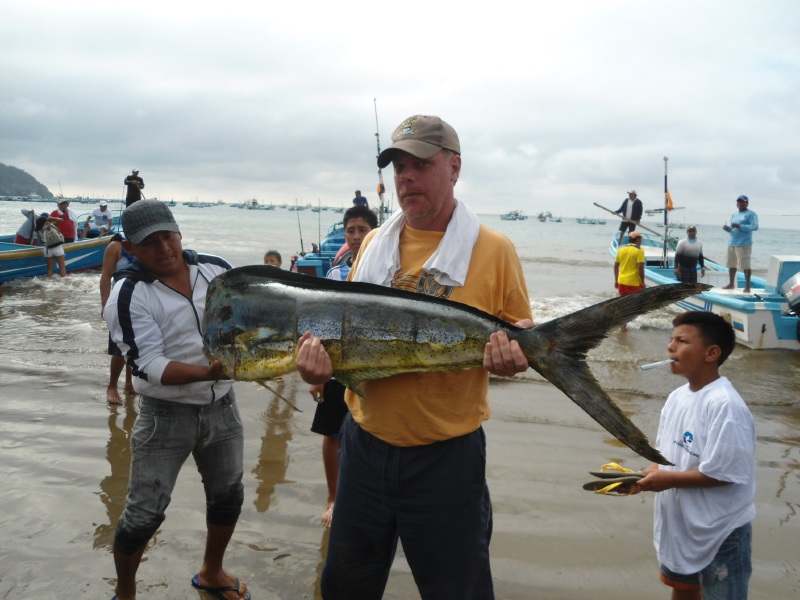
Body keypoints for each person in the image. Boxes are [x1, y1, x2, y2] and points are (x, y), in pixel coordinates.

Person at [295, 114, 533, 599]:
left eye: (421, 164)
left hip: (446, 460)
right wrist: (317, 370)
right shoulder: (372, 249)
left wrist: (520, 355)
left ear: (454, 168)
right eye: (399, 166)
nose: (406, 177)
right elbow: (350, 339)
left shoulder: (495, 250)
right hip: (363, 449)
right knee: (344, 587)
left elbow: (519, 339)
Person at [104, 200, 250, 600]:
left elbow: (249, 314)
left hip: (223, 406)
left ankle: (212, 571)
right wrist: (209, 371)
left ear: (179, 232)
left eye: (167, 236)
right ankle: (126, 591)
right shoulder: (128, 293)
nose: (163, 248)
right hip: (164, 416)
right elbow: (147, 365)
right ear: (130, 248)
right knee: (143, 514)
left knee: (229, 495)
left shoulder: (216, 268)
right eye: (149, 242)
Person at [636, 311, 755, 600]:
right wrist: (645, 475)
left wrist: (667, 480)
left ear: (711, 353)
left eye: (682, 340)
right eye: (671, 339)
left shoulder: (725, 406)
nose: (670, 347)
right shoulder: (677, 397)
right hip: (682, 523)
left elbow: (725, 474)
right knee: (684, 589)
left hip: (719, 529)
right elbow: (665, 455)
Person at [308, 205, 378, 528]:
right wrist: (318, 376)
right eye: (350, 230)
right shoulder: (335, 274)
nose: (355, 236)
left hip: (367, 365)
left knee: (371, 430)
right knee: (331, 431)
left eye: (362, 230)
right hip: (335, 366)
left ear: (374, 234)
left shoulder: (384, 271)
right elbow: (321, 323)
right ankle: (334, 496)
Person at [100, 233, 135, 404]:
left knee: (136, 345)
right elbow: (106, 276)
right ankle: (112, 386)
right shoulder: (115, 246)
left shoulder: (145, 245)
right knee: (118, 348)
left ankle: (130, 384)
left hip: (140, 300)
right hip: (119, 300)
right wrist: (105, 304)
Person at [723, 195, 759, 293]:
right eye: (738, 202)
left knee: (745, 266)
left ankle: (747, 287)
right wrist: (728, 229)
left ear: (747, 203)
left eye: (742, 202)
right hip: (732, 243)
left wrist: (740, 225)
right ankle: (731, 284)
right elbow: (733, 230)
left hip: (744, 244)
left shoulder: (751, 214)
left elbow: (755, 227)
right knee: (731, 265)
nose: (740, 203)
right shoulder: (734, 214)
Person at [613, 230, 645, 331]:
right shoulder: (639, 251)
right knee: (634, 305)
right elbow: (640, 267)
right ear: (637, 239)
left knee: (625, 304)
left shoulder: (621, 249)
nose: (641, 241)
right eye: (641, 239)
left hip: (622, 281)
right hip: (634, 282)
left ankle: (622, 324)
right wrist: (643, 282)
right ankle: (623, 324)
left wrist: (616, 280)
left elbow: (616, 266)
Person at [36, 212, 67, 277]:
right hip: (57, 247)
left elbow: (39, 241)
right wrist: (51, 218)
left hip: (47, 249)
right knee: (62, 268)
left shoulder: (38, 230)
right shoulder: (51, 225)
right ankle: (64, 282)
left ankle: (49, 281)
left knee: (50, 268)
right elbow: (61, 220)